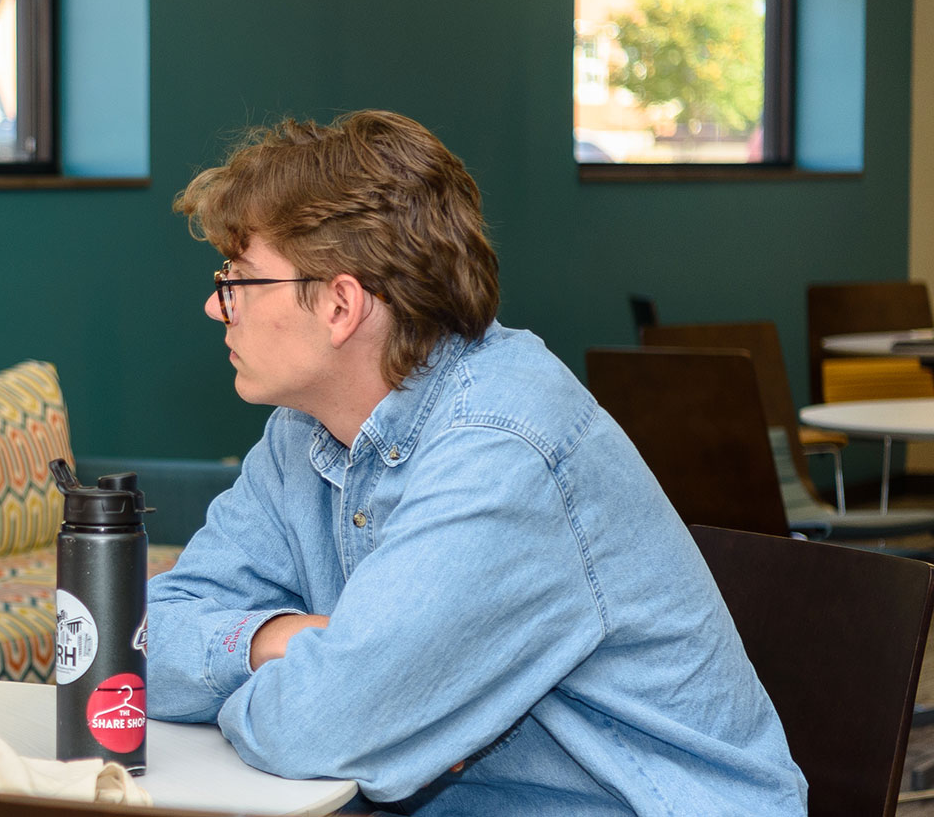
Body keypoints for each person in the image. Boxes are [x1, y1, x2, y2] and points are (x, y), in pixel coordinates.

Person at [144, 110, 803, 814]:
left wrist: (327, 698)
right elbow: (137, 642)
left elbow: (317, 725)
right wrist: (279, 640)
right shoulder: (300, 434)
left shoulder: (502, 445)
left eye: (238, 281)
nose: (217, 308)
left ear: (340, 305)